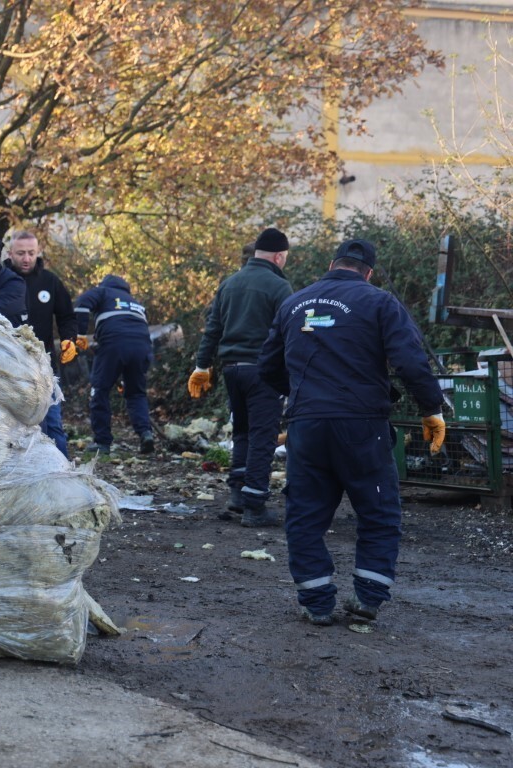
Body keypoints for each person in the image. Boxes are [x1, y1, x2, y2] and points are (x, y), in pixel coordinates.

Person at [257, 238, 445, 626]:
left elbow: (267, 367)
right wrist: (431, 409)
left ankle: (316, 602)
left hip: (306, 426)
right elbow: (410, 362)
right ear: (369, 272)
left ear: (332, 264)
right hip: (362, 426)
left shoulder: (294, 303)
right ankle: (368, 598)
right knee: (378, 513)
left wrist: (300, 395)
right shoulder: (380, 302)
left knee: (305, 515)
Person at [187, 227, 292, 526]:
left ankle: (237, 494)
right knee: (264, 436)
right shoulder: (279, 287)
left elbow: (213, 329)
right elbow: (290, 333)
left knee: (243, 431)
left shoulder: (229, 284)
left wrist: (201, 367)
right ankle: (255, 505)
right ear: (279, 256)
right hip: (264, 372)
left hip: (231, 370)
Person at [4, 231, 79, 457]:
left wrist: (69, 339)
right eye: (20, 253)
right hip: (7, 367)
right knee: (11, 428)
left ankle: (63, 476)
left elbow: (67, 316)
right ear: (10, 254)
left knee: (53, 424)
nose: (26, 258)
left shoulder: (50, 281)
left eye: (31, 253)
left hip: (44, 367)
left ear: (38, 253)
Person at [74, 275, 154, 455]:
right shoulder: (135, 302)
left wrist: (80, 334)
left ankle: (102, 443)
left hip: (114, 344)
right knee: (136, 393)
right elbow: (132, 329)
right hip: (142, 346)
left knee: (100, 390)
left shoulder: (102, 292)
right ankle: (145, 433)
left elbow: (81, 305)